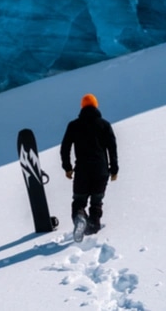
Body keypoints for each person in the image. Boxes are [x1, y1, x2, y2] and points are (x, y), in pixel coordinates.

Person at [60, 93, 118, 236]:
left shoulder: (74, 125)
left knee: (79, 201)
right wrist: (114, 169)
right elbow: (112, 148)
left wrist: (67, 168)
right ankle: (94, 229)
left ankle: (80, 218)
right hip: (101, 170)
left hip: (82, 171)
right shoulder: (104, 125)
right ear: (96, 106)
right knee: (96, 202)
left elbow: (65, 147)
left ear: (82, 106)